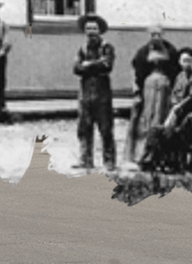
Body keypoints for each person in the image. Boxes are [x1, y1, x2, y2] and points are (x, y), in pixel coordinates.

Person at [124, 23, 180, 166]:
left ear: (163, 35)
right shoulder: (142, 52)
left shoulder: (171, 51)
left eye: (159, 34)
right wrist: (136, 92)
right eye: (153, 35)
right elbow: (136, 72)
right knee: (146, 119)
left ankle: (163, 156)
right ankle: (143, 154)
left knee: (162, 118)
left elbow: (176, 71)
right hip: (148, 88)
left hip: (165, 88)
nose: (156, 38)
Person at [141, 46, 192, 173]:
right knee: (169, 134)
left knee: (185, 137)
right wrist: (173, 103)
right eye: (184, 61)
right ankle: (168, 161)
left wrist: (179, 105)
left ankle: (188, 164)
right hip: (176, 109)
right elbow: (174, 92)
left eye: (189, 61)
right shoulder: (180, 76)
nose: (186, 64)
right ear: (179, 62)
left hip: (187, 111)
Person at [73, 13, 116, 169]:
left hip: (102, 94)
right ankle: (85, 159)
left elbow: (107, 66)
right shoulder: (82, 48)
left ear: (100, 30)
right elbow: (76, 68)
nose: (91, 31)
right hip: (85, 94)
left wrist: (88, 65)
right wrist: (93, 65)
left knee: (105, 128)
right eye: (88, 28)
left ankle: (109, 160)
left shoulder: (107, 47)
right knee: (84, 128)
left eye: (94, 28)